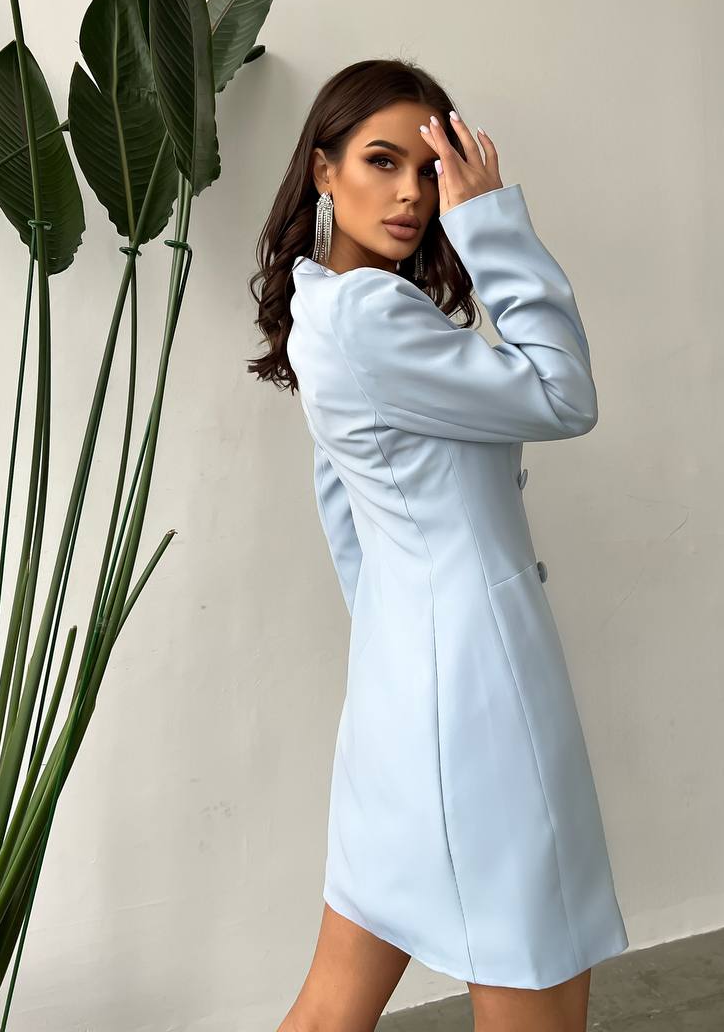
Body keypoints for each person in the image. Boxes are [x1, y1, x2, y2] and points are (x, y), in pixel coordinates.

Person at [248, 59, 628, 1032]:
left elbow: (346, 512)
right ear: (323, 169)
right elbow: (562, 393)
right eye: (382, 160)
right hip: (477, 698)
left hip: (398, 691)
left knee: (336, 997)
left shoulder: (322, 313)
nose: (413, 191)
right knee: (533, 984)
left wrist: (395, 642)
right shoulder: (373, 317)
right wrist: (490, 218)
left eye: (429, 168)